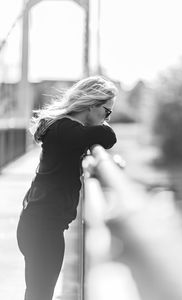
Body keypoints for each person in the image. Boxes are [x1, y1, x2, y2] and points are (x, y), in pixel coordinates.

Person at [17, 75, 118, 300]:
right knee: (40, 295)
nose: (107, 118)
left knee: (37, 293)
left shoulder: (66, 128)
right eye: (107, 111)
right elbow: (108, 137)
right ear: (91, 104)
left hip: (39, 223)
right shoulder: (67, 130)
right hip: (43, 229)